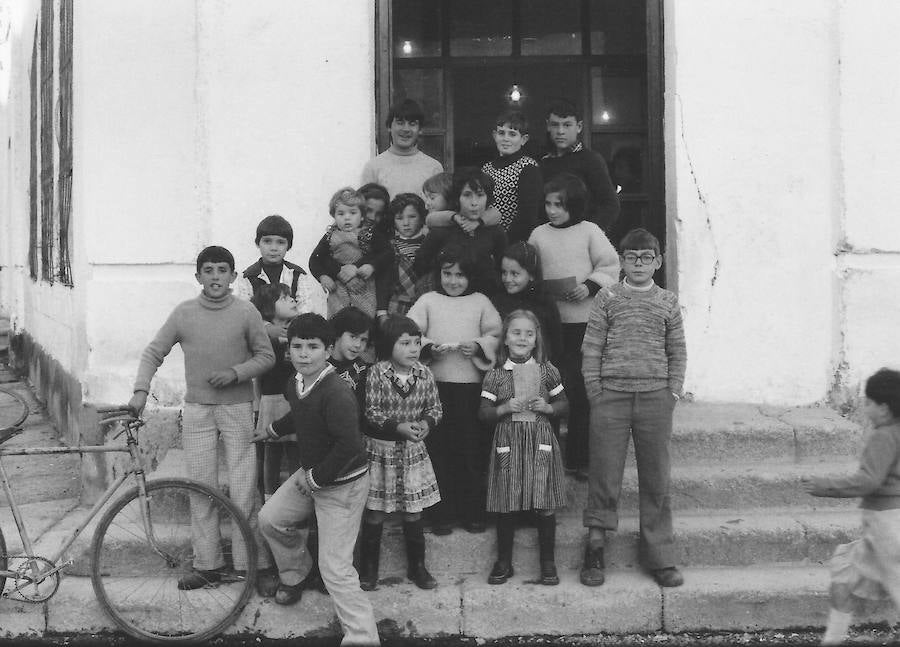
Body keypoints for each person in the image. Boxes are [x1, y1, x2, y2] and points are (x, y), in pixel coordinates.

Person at [128, 245, 276, 592]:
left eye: (222, 270)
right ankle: (208, 565)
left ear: (233, 277)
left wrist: (236, 373)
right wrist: (139, 391)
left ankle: (251, 565)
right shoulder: (184, 313)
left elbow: (266, 356)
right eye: (208, 270)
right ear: (198, 276)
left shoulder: (246, 311)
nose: (215, 277)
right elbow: (154, 352)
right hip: (197, 411)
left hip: (237, 409)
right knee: (201, 488)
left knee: (243, 490)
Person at [254, 314, 379, 646]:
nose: (304, 354)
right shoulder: (295, 382)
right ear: (288, 351)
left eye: (313, 347)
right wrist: (271, 429)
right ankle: (296, 572)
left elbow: (350, 445)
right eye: (297, 346)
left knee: (336, 569)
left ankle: (362, 638)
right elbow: (300, 414)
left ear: (329, 350)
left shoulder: (336, 391)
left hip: (343, 484)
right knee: (270, 518)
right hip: (313, 474)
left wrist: (315, 478)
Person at [580, 227, 687, 589]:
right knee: (604, 473)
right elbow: (592, 347)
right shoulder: (607, 298)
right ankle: (595, 545)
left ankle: (659, 555)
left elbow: (678, 351)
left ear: (658, 261)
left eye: (646, 257)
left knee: (656, 477)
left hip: (656, 398)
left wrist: (672, 391)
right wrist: (595, 390)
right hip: (611, 397)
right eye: (631, 257)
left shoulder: (668, 302)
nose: (638, 263)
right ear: (621, 261)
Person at [528, 173, 619, 479]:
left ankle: (580, 459)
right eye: (549, 204)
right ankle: (549, 458)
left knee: (580, 392)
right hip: (550, 324)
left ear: (576, 206)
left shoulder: (589, 231)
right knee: (551, 389)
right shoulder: (539, 234)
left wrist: (589, 286)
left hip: (583, 324)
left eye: (560, 205)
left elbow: (610, 265)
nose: (553, 210)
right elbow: (529, 269)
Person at [408, 243, 502, 534]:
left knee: (470, 451)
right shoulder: (427, 301)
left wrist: (478, 346)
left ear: (471, 276)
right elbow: (409, 331)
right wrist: (426, 347)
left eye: (460, 275)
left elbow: (496, 334)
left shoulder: (481, 302)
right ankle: (441, 514)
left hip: (471, 390)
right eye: (447, 273)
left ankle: (472, 511)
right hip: (434, 390)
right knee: (439, 451)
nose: (453, 281)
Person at [803, 368, 900, 646]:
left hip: (885, 526)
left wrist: (825, 486)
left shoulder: (883, 437)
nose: (865, 408)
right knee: (844, 577)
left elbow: (868, 481)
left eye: (868, 402)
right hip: (884, 527)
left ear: (884, 407)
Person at [479, 310, 568, 586]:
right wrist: (503, 408)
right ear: (505, 338)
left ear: (536, 339)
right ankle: (504, 560)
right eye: (516, 332)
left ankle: (547, 562)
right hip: (509, 441)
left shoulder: (547, 370)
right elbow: (482, 412)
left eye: (529, 334)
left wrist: (550, 408)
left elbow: (565, 404)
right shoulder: (496, 375)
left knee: (544, 499)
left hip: (539, 441)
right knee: (506, 501)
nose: (522, 338)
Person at [358, 315, 443, 591]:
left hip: (412, 452)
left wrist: (426, 424)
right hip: (381, 452)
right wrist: (398, 427)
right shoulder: (377, 373)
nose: (413, 349)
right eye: (405, 343)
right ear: (388, 345)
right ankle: (369, 569)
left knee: (413, 512)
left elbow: (435, 408)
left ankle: (418, 567)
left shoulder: (425, 374)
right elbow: (372, 412)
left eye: (417, 343)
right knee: (375, 512)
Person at [299, 305, 375, 596]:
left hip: (352, 454)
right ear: (336, 337)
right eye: (352, 337)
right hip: (320, 453)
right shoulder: (321, 367)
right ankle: (317, 573)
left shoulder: (363, 370)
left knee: (346, 522)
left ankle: (344, 576)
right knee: (320, 518)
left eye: (364, 340)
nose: (358, 345)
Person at [414, 168, 508, 299]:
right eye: (467, 195)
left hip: (485, 300)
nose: (474, 203)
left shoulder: (495, 231)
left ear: (488, 198)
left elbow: (502, 267)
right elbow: (420, 265)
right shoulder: (441, 231)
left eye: (480, 195)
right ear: (457, 198)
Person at [539, 98, 620, 235]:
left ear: (579, 127)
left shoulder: (591, 160)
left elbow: (610, 205)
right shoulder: (543, 162)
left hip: (581, 241)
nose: (560, 131)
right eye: (555, 125)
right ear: (548, 126)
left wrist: (586, 235)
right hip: (549, 238)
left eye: (567, 125)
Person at [308, 187, 391, 318]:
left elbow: (387, 253)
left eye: (352, 213)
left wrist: (371, 265)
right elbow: (315, 259)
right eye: (341, 214)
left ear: (362, 215)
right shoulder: (330, 236)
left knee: (364, 319)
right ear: (333, 215)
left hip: (364, 285)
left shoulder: (369, 234)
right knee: (338, 318)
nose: (347, 218)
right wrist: (322, 276)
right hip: (338, 287)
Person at [251, 283, 300, 501]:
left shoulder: (298, 331)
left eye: (291, 297)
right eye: (284, 298)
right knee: (272, 451)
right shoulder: (263, 334)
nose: (292, 300)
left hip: (295, 399)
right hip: (271, 399)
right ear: (269, 307)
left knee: (295, 450)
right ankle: (269, 498)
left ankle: (293, 498)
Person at [234, 214, 327, 321]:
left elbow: (305, 310)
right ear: (258, 243)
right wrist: (267, 327)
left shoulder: (297, 275)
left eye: (280, 242)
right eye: (267, 241)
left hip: (293, 331)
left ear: (289, 245)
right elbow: (246, 313)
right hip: (260, 332)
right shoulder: (248, 277)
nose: (274, 248)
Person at [492, 241, 563, 364]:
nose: (507, 279)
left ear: (531, 275)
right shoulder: (497, 301)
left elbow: (556, 343)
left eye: (515, 274)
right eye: (504, 272)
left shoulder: (544, 301)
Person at [361, 98, 443, 199]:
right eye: (400, 123)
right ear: (389, 127)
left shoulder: (433, 168)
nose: (406, 129)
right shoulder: (373, 167)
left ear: (420, 129)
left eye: (412, 124)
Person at [481, 110, 543, 244]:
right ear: (494, 135)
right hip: (485, 240)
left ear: (524, 139)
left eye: (512, 134)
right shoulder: (486, 169)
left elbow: (527, 216)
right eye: (501, 133)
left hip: (513, 242)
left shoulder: (528, 167)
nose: (505, 138)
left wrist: (505, 245)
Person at [376, 193, 430, 322]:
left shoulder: (429, 244)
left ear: (422, 217)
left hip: (425, 306)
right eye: (399, 218)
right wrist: (382, 313)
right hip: (396, 307)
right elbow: (382, 282)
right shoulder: (388, 247)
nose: (406, 223)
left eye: (412, 217)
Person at [424, 171, 501, 232]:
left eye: (432, 198)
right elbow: (429, 219)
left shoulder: (467, 211)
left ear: (449, 195)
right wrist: (455, 217)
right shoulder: (437, 217)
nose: (427, 203)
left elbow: (496, 214)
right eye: (426, 197)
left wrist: (477, 222)